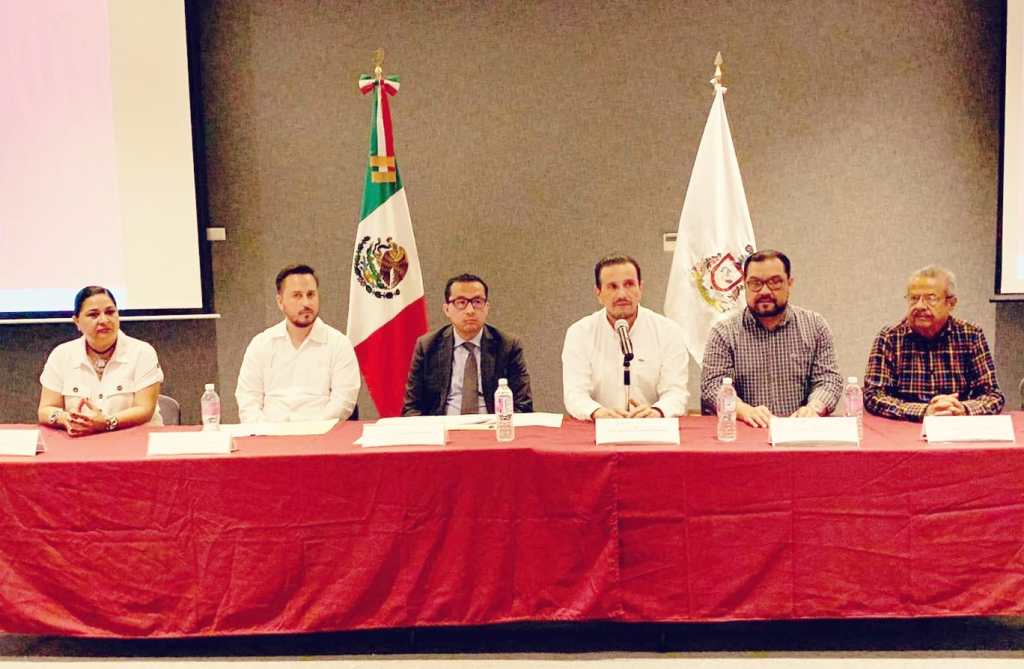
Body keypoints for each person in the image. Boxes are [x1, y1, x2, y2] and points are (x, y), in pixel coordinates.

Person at [700, 249, 843, 427]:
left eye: (775, 282)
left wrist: (813, 409)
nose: (765, 291)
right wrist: (743, 410)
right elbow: (713, 386)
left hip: (801, 430)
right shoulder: (724, 332)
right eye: (756, 283)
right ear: (745, 285)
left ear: (790, 284)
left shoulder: (815, 326)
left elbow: (829, 380)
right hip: (746, 432)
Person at [864, 265, 1004, 420]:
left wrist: (963, 409)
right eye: (914, 298)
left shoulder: (971, 335)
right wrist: (924, 411)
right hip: (906, 427)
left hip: (958, 425)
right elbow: (873, 396)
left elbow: (993, 395)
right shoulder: (890, 337)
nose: (920, 306)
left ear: (951, 303)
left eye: (930, 298)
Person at [562, 255, 688, 419]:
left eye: (629, 284)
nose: (622, 294)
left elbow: (676, 392)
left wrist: (657, 411)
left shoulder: (668, 331)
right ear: (598, 293)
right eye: (612, 287)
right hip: (598, 427)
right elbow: (575, 394)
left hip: (652, 426)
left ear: (640, 288)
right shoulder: (579, 333)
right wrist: (597, 412)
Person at [236, 264, 360, 422]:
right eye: (297, 296)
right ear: (280, 302)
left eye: (311, 294)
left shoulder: (338, 344)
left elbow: (343, 401)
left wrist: (311, 429)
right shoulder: (261, 344)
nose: (306, 303)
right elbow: (247, 400)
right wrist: (266, 430)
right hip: (270, 433)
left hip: (322, 433)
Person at [38, 286, 163, 436]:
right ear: (77, 321)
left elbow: (145, 409)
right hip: (80, 442)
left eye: (110, 312)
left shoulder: (142, 352)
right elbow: (45, 410)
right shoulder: (61, 355)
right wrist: (65, 418)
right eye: (93, 314)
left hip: (135, 440)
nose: (104, 320)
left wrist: (107, 423)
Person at [402, 273, 533, 416]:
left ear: (487, 307)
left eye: (477, 302)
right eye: (461, 302)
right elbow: (411, 407)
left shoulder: (507, 346)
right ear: (447, 309)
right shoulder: (428, 346)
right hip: (444, 425)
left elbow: (523, 406)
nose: (470, 310)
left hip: (493, 426)